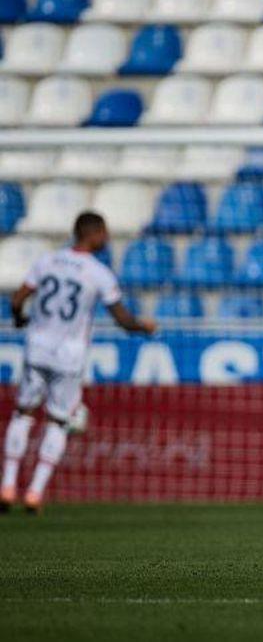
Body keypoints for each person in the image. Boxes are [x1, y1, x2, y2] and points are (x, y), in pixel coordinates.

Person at [2, 212, 157, 514]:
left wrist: (20, 320)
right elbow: (122, 320)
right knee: (59, 421)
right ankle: (34, 492)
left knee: (22, 414)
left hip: (37, 347)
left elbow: (18, 299)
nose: (108, 238)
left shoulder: (47, 261)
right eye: (105, 233)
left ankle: (7, 485)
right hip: (68, 355)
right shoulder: (98, 273)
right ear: (94, 233)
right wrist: (144, 327)